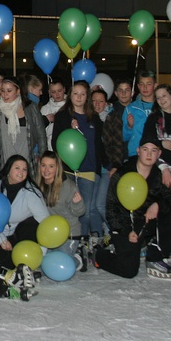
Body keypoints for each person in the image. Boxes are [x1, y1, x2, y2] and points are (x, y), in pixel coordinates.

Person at [94, 136, 171, 280]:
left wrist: (157, 205)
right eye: (145, 150)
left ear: (159, 154)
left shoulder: (159, 175)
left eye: (153, 151)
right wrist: (126, 230)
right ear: (138, 151)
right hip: (125, 225)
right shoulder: (122, 174)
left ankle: (155, 256)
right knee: (129, 270)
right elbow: (111, 209)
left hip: (146, 223)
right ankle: (99, 254)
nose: (149, 154)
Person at [51, 80, 105, 240]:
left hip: (89, 169)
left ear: (87, 96)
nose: (79, 97)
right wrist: (70, 130)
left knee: (86, 210)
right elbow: (55, 143)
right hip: (68, 170)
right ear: (70, 95)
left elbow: (99, 145)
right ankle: (76, 242)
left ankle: (86, 240)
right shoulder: (62, 116)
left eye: (83, 94)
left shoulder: (94, 118)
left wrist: (105, 166)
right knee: (70, 208)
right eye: (76, 93)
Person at [0, 154, 50, 271]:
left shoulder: (31, 192)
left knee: (31, 224)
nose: (21, 172)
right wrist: (1, 240)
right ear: (8, 170)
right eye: (17, 168)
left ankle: (26, 263)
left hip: (21, 234)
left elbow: (45, 222)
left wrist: (41, 253)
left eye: (24, 169)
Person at [0, 76, 47, 181]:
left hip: (26, 164)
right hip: (2, 164)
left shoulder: (31, 108)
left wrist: (44, 160)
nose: (5, 94)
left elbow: (41, 135)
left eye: (9, 91)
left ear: (18, 91)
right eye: (3, 90)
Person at [35, 151, 86, 270]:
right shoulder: (37, 184)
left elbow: (81, 212)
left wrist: (78, 203)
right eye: (43, 165)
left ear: (57, 168)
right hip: (49, 234)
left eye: (51, 166)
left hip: (69, 235)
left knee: (56, 266)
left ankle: (78, 259)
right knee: (41, 264)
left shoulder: (68, 186)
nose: (46, 170)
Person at [91, 87, 113, 239]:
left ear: (106, 103)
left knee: (100, 204)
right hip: (92, 168)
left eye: (101, 101)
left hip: (108, 168)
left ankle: (116, 229)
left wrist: (114, 165)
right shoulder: (86, 119)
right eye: (94, 101)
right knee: (91, 207)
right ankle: (99, 235)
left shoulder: (111, 119)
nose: (97, 104)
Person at [123, 70, 157, 158]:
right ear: (138, 86)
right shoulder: (130, 109)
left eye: (149, 84)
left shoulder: (161, 108)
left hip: (157, 155)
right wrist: (129, 127)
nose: (145, 87)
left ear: (155, 85)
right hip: (136, 153)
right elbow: (123, 137)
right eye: (142, 84)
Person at [103, 77, 132, 172]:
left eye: (127, 90)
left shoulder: (137, 111)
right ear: (116, 93)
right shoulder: (110, 112)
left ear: (132, 93)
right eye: (120, 90)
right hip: (116, 160)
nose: (123, 93)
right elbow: (108, 140)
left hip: (135, 157)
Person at [41, 79, 67, 149]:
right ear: (49, 92)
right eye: (53, 92)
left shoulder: (71, 106)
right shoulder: (45, 108)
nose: (57, 94)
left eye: (59, 91)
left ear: (64, 89)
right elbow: (41, 133)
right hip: (51, 147)